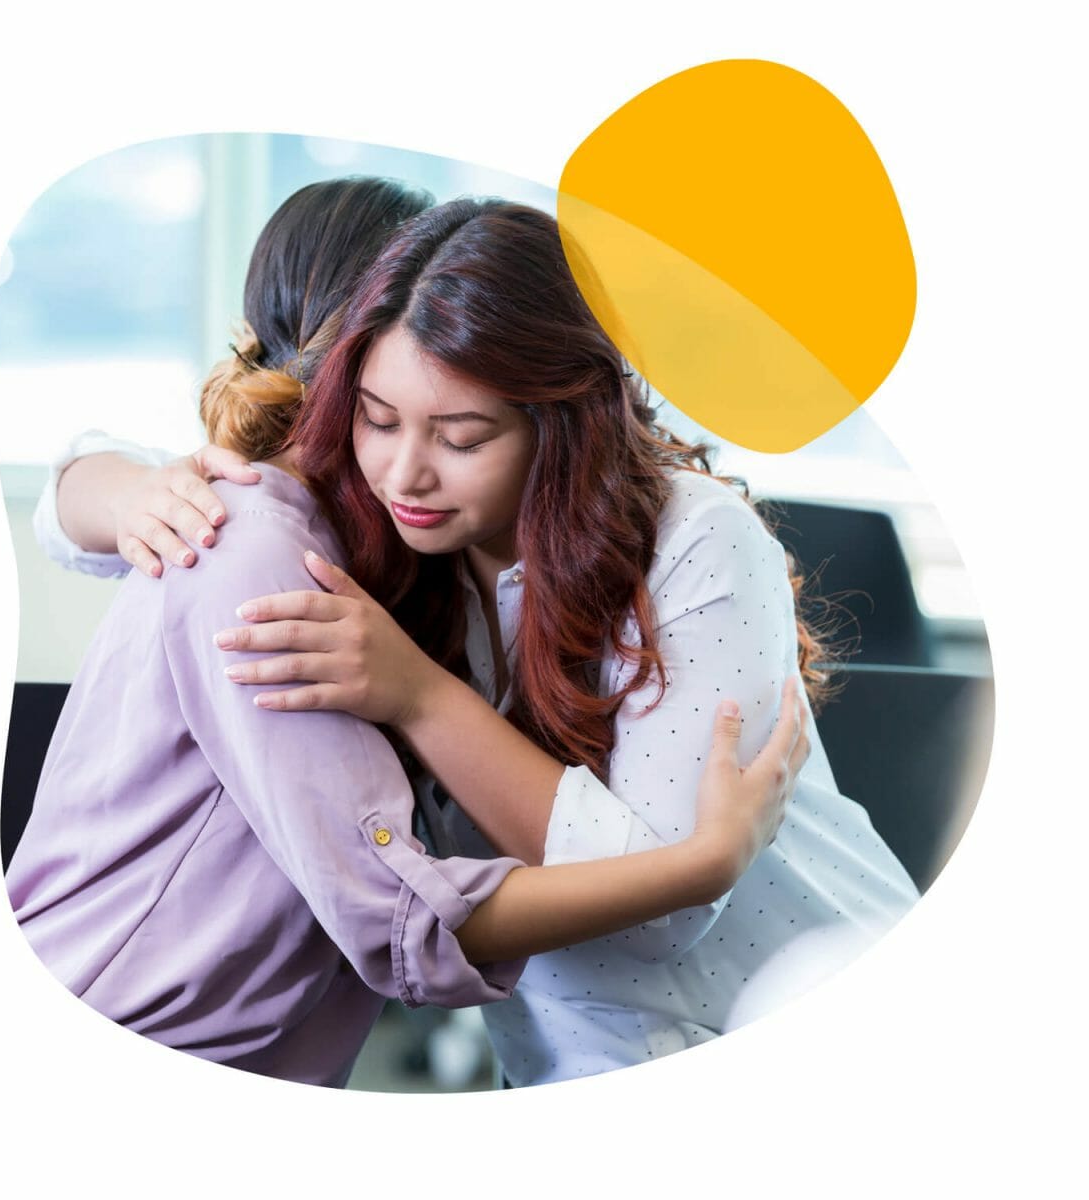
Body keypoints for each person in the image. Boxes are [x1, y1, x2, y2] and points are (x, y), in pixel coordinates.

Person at [46, 197, 917, 1088]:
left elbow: (658, 911)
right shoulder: (393, 540)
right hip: (570, 1061)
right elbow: (91, 509)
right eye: (377, 420)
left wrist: (420, 696)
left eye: (462, 438)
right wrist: (122, 491)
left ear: (560, 422)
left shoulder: (696, 539)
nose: (404, 473)